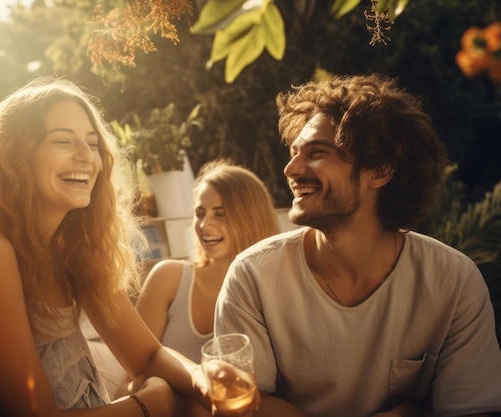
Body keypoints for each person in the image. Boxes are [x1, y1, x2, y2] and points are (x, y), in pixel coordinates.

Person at [0, 77, 220, 417]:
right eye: (62, 141)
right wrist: (146, 405)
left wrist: (207, 379)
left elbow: (147, 356)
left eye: (93, 143)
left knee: (200, 403)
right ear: (15, 156)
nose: (87, 157)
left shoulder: (70, 251)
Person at [213, 74, 501, 417]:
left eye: (318, 152)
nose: (291, 168)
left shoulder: (453, 281)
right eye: (293, 153)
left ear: (379, 170)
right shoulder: (253, 276)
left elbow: (472, 410)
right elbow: (243, 408)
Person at [136, 159, 280, 363]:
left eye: (219, 214)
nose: (204, 225)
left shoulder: (275, 291)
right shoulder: (168, 278)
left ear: (251, 219)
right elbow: (133, 374)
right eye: (200, 213)